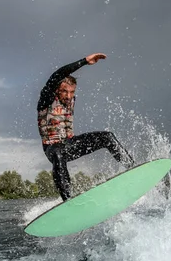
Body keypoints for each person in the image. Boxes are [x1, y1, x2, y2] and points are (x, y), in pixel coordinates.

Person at [37, 53, 135, 201]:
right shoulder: (47, 98)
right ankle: (67, 200)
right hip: (51, 148)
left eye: (72, 92)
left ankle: (133, 170)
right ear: (57, 90)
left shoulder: (70, 100)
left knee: (106, 137)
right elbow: (57, 75)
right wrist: (84, 62)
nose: (69, 96)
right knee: (58, 152)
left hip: (70, 145)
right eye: (65, 91)